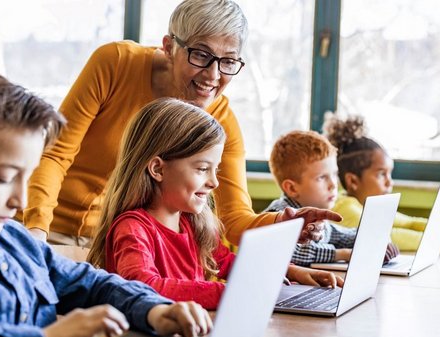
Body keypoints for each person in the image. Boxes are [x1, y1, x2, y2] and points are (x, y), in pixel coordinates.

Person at [0, 68, 213, 337]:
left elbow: (92, 283)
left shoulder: (14, 238)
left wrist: (155, 311)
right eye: (4, 178)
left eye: (26, 177)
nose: (21, 200)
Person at [21, 0, 341, 247]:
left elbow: (234, 218)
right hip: (51, 231)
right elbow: (54, 154)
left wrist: (283, 224)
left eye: (228, 61)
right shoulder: (115, 63)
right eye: (201, 55)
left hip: (120, 246)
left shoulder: (222, 122)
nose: (213, 76)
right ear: (169, 46)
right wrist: (36, 231)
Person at [88, 98, 343, 310]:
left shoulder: (190, 223)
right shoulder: (133, 229)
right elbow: (142, 286)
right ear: (157, 168)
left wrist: (289, 271)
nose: (214, 183)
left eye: (215, 170)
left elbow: (230, 263)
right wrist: (228, 294)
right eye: (202, 169)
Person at [323, 112, 440, 251]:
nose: (389, 183)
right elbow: (381, 236)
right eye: (381, 175)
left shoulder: (369, 206)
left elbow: (409, 223)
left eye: (390, 174)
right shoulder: (344, 209)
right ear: (353, 181)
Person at [264, 130, 399, 266]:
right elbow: (291, 252)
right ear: (292, 188)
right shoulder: (278, 214)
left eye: (334, 174)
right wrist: (344, 254)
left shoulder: (319, 219)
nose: (333, 185)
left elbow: (343, 236)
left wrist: (377, 240)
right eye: (322, 177)